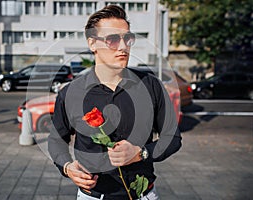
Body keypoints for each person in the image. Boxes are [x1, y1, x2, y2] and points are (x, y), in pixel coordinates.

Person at [48, 5, 182, 200]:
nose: (123, 46)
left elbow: (173, 137)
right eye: (112, 39)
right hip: (92, 196)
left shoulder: (150, 85)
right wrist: (68, 168)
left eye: (127, 38)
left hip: (143, 195)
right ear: (92, 43)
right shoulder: (71, 93)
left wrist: (140, 153)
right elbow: (56, 140)